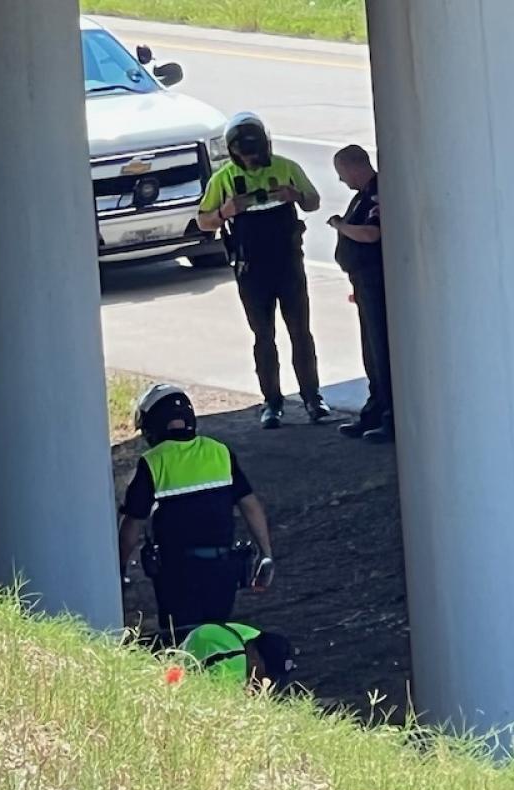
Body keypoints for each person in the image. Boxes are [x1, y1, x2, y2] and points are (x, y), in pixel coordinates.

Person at [198, 112, 334, 431]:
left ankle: (312, 397)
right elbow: (203, 221)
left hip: (288, 263)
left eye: (257, 152)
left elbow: (314, 202)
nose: (253, 159)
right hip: (251, 268)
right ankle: (272, 401)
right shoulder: (224, 179)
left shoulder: (286, 168)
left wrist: (295, 196)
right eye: (246, 154)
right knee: (263, 335)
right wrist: (225, 211)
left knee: (300, 331)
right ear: (234, 153)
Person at [119, 384, 276, 645]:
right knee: (217, 635)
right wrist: (266, 553)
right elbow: (250, 505)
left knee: (184, 641)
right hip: (224, 571)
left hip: (177, 574)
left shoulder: (153, 462)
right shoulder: (220, 452)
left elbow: (131, 526)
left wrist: (119, 568)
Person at [328, 145, 393, 443]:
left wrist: (341, 226)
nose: (342, 181)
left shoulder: (377, 193)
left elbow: (372, 233)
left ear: (354, 167)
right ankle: (373, 411)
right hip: (362, 283)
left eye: (342, 173)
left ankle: (390, 417)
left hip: (376, 282)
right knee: (370, 351)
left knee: (382, 352)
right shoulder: (363, 194)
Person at [180, 622, 298, 692]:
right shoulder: (234, 658)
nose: (262, 682)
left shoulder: (251, 635)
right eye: (266, 674)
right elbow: (225, 704)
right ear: (255, 657)